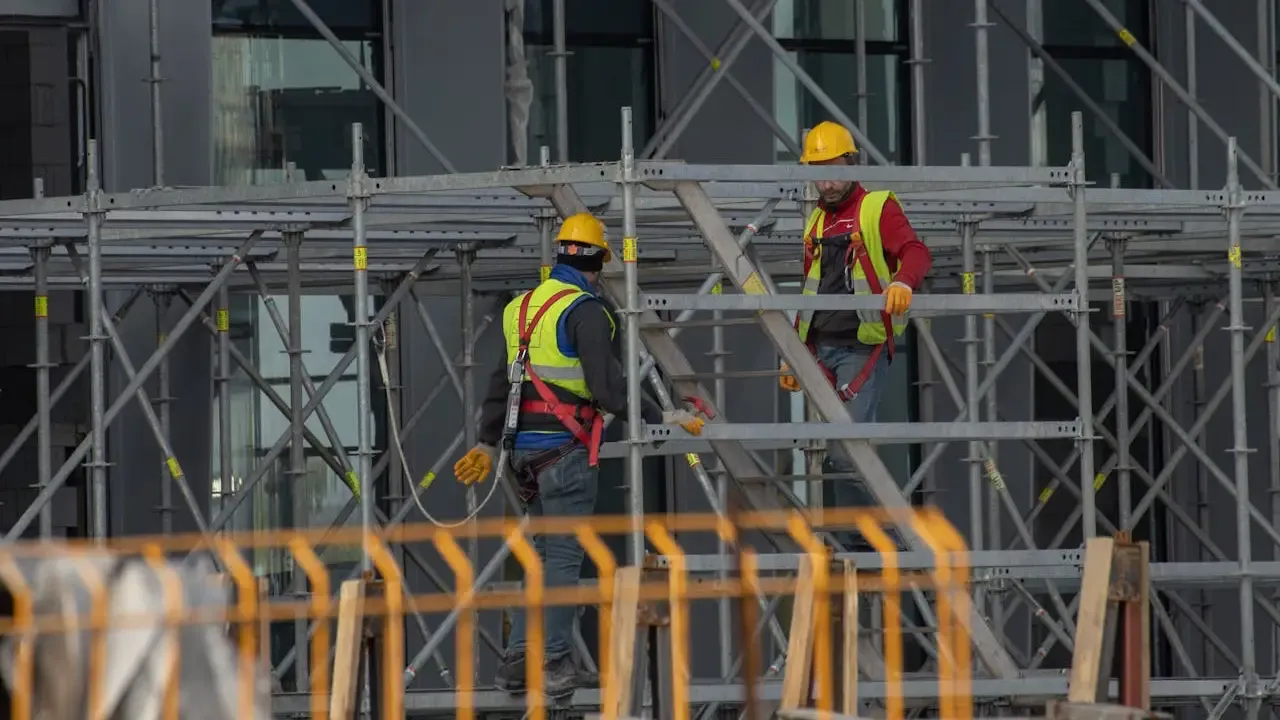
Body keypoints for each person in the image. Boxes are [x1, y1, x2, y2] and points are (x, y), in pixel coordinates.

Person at [453, 212, 709, 698]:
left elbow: (501, 381)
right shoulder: (588, 311)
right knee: (564, 558)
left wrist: (487, 442)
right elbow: (608, 388)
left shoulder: (521, 308)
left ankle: (518, 660)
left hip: (522, 455)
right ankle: (553, 662)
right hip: (563, 453)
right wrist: (663, 414)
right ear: (600, 261)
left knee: (543, 556)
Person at [778, 120, 933, 549]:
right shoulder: (816, 221)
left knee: (847, 452)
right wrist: (795, 353)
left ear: (852, 163)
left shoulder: (876, 207)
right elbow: (812, 293)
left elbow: (916, 251)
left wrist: (903, 282)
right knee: (838, 454)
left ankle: (888, 543)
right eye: (818, 173)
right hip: (821, 349)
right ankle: (861, 540)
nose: (826, 183)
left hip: (860, 349)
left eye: (833, 171)